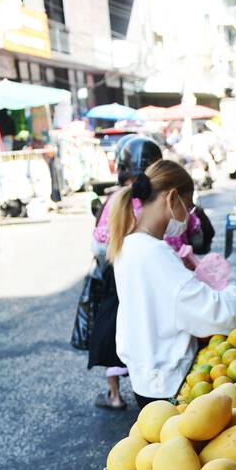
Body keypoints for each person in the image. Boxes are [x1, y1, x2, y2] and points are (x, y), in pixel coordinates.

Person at [107, 159, 236, 407]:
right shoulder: (154, 253)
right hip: (168, 382)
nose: (187, 215)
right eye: (187, 206)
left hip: (146, 377)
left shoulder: (130, 243)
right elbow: (210, 310)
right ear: (171, 197)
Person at [87, 135, 161, 409]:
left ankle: (115, 395)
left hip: (118, 282)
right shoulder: (158, 197)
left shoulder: (116, 199)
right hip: (154, 283)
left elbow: (98, 244)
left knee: (113, 332)